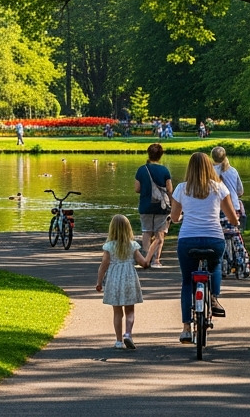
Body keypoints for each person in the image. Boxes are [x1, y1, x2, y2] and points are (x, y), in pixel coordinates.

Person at [171, 151, 239, 342]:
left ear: (189, 169)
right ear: (210, 167)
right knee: (215, 265)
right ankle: (214, 299)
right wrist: (235, 222)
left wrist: (183, 217)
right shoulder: (219, 188)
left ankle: (185, 328)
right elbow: (232, 217)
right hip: (213, 238)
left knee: (187, 282)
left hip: (188, 240)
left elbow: (175, 218)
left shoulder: (181, 188)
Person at [95, 214, 149, 349]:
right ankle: (128, 334)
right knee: (130, 310)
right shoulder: (133, 245)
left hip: (114, 279)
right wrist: (150, 253)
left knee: (117, 312)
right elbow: (143, 263)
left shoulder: (109, 246)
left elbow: (104, 265)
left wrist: (99, 282)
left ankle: (119, 341)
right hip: (129, 278)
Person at [134, 143, 173, 268]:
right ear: (161, 155)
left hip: (145, 206)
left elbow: (137, 189)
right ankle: (156, 260)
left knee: (146, 232)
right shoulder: (165, 170)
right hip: (162, 207)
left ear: (148, 154)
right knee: (159, 233)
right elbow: (169, 189)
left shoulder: (141, 170)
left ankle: (146, 259)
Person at [211, 146, 245, 230]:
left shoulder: (209, 171)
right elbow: (240, 191)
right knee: (233, 233)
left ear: (212, 157)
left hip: (216, 207)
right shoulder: (233, 170)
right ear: (225, 156)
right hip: (234, 206)